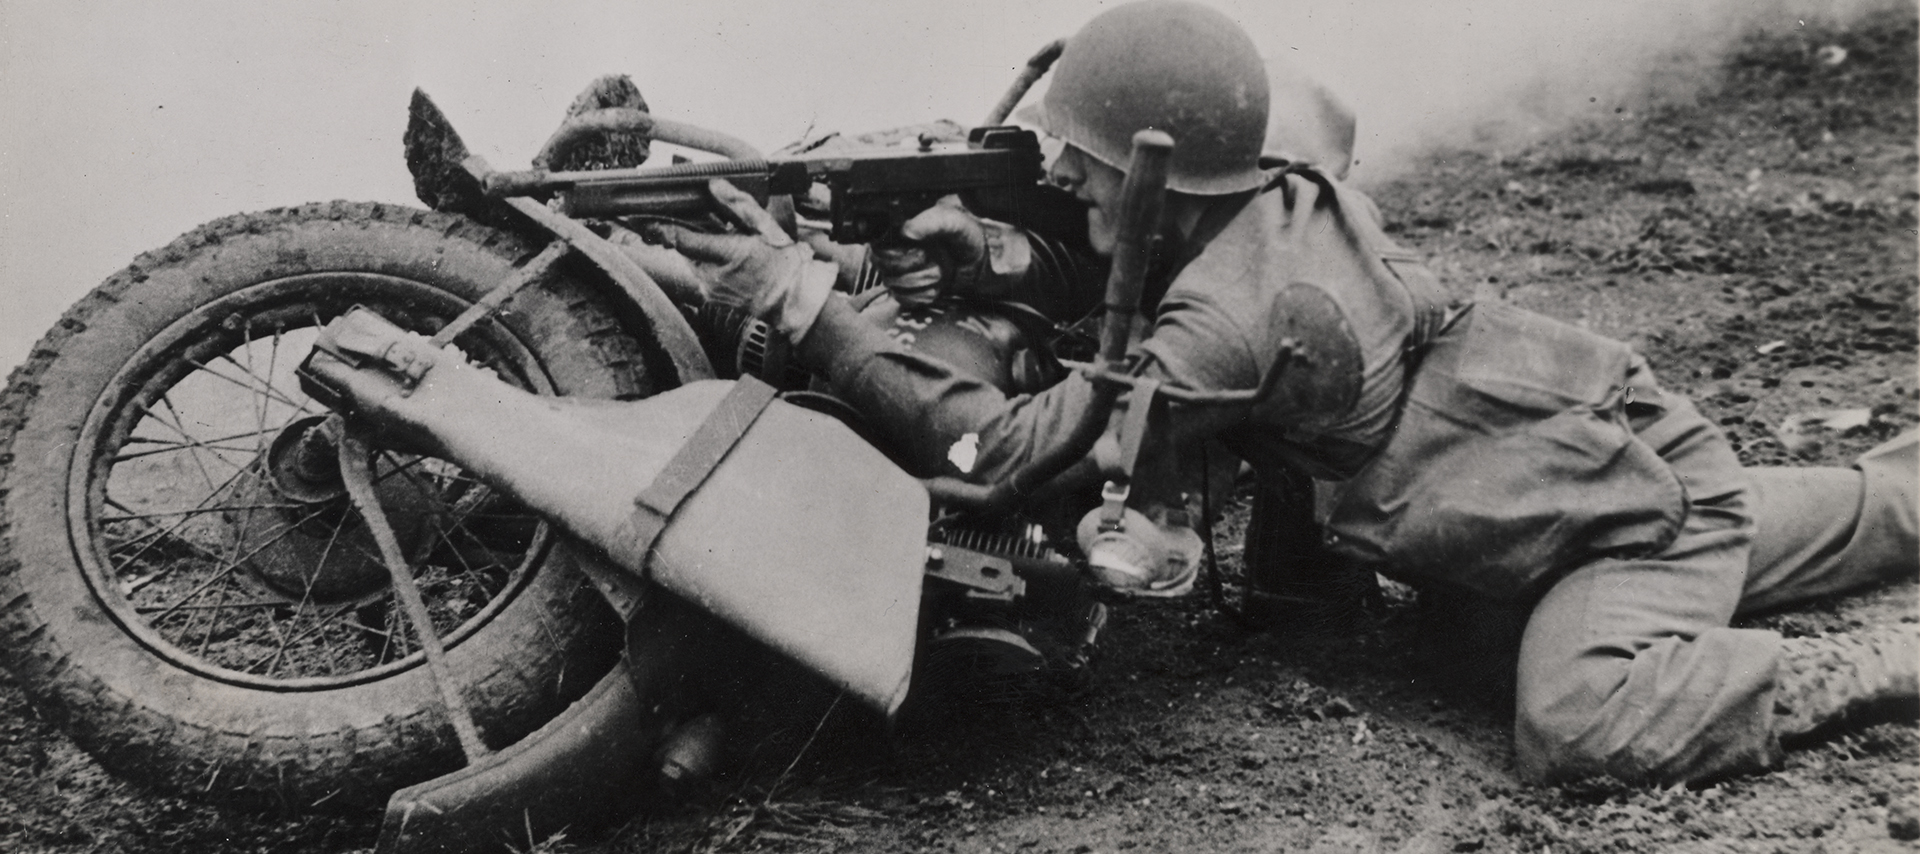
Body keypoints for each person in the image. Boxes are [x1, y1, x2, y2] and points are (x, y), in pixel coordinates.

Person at [641, 0, 1918, 788]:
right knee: (1851, 513)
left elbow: (1009, 452)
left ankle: (1864, 668)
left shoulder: (1228, 324)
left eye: (1081, 175)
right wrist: (1007, 254)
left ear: (1153, 178)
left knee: (1577, 719)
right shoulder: (1273, 196)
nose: (1071, 196)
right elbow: (1115, 265)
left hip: (1594, 519)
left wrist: (812, 308)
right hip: (1603, 450)